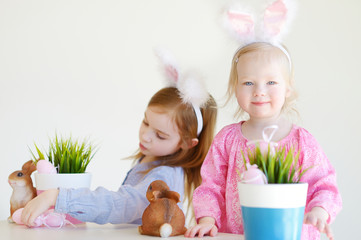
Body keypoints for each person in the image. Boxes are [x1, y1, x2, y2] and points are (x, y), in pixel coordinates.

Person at [20, 50, 218, 227]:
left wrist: (58, 197)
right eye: (146, 122)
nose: (146, 136)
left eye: (160, 135)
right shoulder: (151, 159)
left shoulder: (164, 176)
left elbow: (122, 203)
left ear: (186, 144)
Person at [185, 41, 342, 240]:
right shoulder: (227, 139)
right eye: (248, 82)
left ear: (288, 88)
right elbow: (211, 186)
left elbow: (324, 184)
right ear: (235, 88)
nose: (259, 91)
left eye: (271, 82)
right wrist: (207, 220)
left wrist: (320, 211)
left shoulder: (303, 142)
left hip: (292, 235)